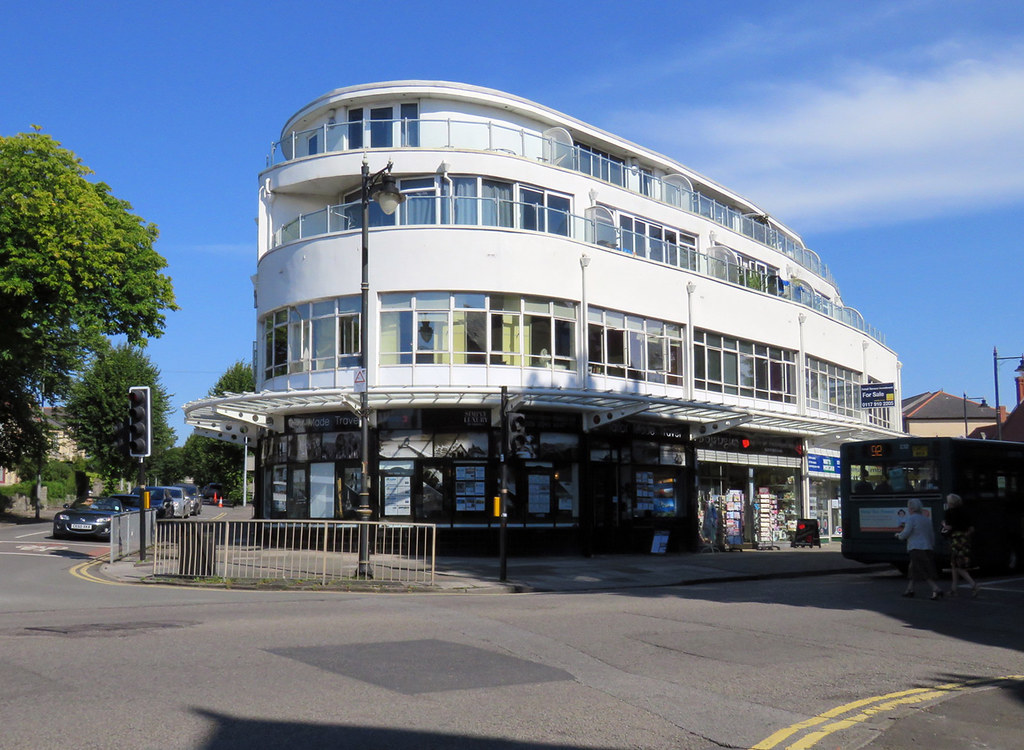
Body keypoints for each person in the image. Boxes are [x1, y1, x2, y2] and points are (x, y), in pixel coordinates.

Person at [895, 498, 943, 599]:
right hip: (927, 547)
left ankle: (936, 588)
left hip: (916, 547)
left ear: (911, 508)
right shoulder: (926, 519)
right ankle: (910, 589)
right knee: (914, 568)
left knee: (922, 569)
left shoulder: (911, 519)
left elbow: (906, 533)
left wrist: (898, 535)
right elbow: (931, 534)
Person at [942, 493, 980, 598]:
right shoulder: (966, 512)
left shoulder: (949, 513)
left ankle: (974, 585)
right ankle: (954, 588)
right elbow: (971, 528)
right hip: (965, 540)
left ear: (950, 503)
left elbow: (949, 527)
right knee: (955, 565)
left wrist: (944, 525)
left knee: (957, 565)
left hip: (955, 540)